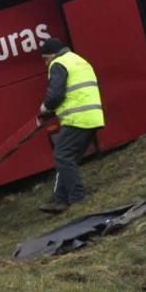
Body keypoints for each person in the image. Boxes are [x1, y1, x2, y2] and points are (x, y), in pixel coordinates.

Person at [37, 37, 104, 214]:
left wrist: (46, 106)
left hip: (77, 117)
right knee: (66, 158)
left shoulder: (58, 63)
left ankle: (77, 198)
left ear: (51, 55)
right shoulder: (78, 60)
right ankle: (60, 200)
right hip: (93, 116)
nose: (45, 64)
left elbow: (56, 94)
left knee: (63, 155)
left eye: (45, 59)